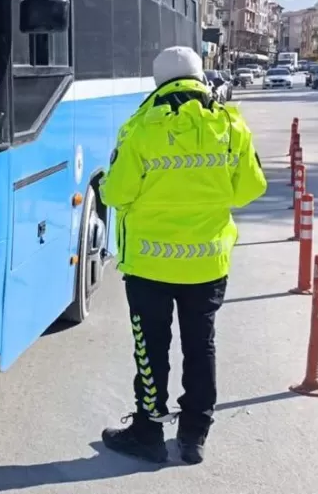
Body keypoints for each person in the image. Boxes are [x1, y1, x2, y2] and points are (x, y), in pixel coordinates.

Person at [98, 46, 267, 465]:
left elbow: (116, 193)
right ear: (201, 77)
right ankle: (194, 437)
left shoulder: (139, 128)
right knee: (200, 343)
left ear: (158, 83)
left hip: (149, 264)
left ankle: (149, 433)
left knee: (150, 348)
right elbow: (250, 189)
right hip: (208, 262)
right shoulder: (231, 126)